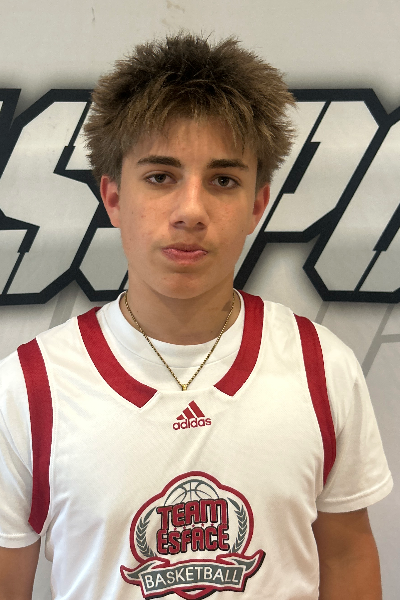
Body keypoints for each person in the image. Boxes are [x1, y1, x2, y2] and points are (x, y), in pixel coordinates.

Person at [0, 33, 392, 600]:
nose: (190, 211)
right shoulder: (28, 387)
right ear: (113, 197)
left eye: (223, 181)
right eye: (160, 177)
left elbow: (348, 556)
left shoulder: (322, 366)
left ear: (256, 204)